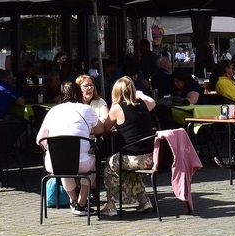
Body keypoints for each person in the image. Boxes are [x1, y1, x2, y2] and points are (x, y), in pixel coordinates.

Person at [36, 81, 105, 216]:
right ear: (79, 93)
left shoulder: (53, 111)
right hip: (81, 163)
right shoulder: (86, 109)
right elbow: (100, 129)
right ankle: (82, 203)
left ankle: (73, 201)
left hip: (54, 164)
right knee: (93, 164)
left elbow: (39, 139)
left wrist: (50, 149)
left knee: (63, 162)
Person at [99, 76, 157, 215]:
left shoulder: (117, 109)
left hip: (133, 158)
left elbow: (105, 128)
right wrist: (141, 94)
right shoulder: (144, 104)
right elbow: (153, 101)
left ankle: (111, 204)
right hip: (151, 157)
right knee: (130, 167)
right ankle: (144, 200)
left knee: (111, 163)